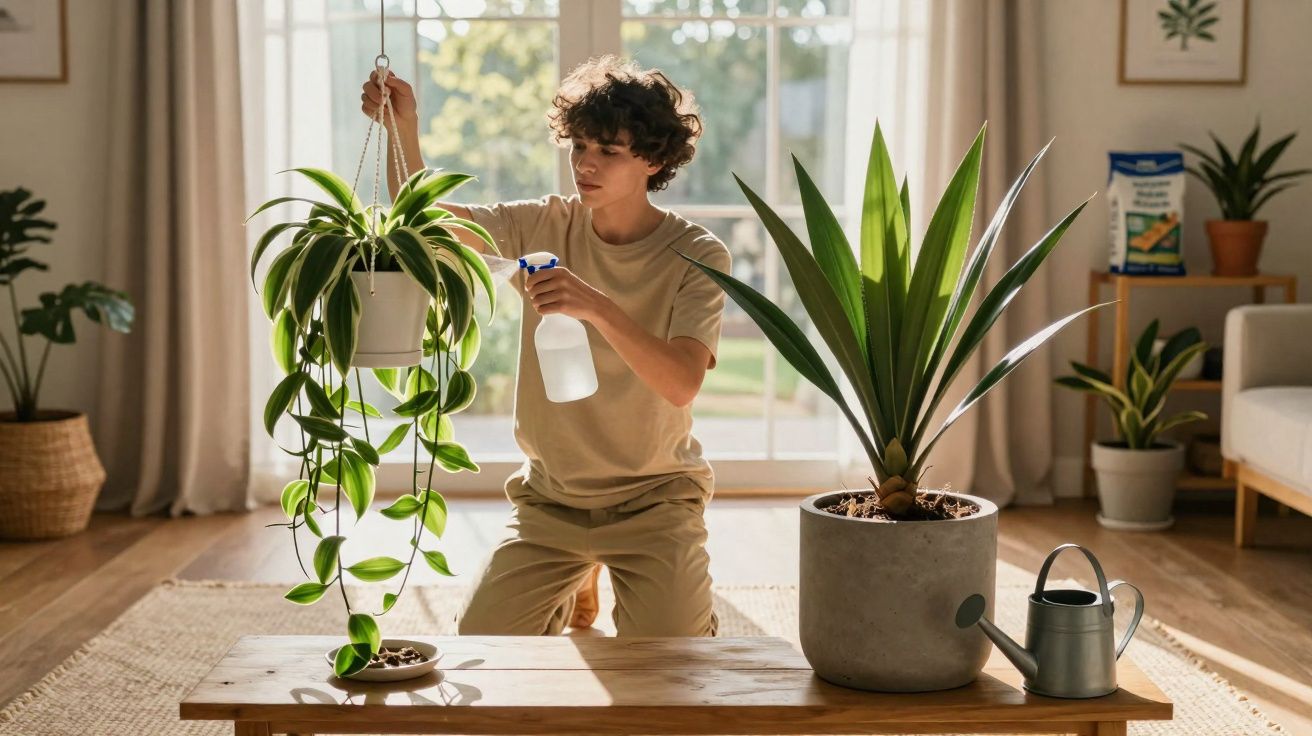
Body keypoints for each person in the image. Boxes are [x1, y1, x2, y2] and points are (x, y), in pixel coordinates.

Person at [360, 55, 729, 637]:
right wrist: (401, 128)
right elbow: (427, 217)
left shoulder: (699, 254)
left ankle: (637, 586)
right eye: (580, 146)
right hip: (551, 500)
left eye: (609, 151)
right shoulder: (542, 224)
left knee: (672, 666)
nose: (585, 163)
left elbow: (682, 381)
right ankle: (576, 578)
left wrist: (597, 305)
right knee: (485, 646)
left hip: (655, 500)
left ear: (653, 160)